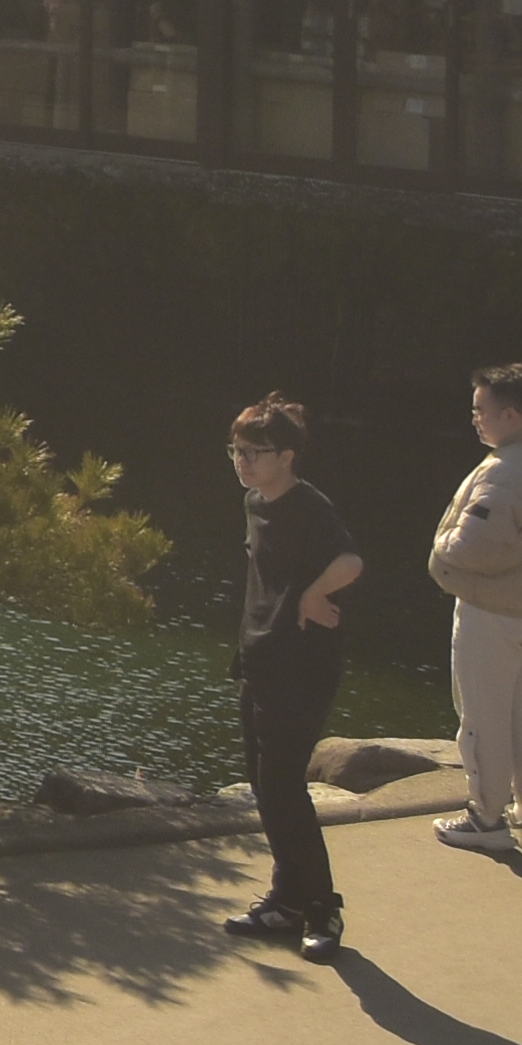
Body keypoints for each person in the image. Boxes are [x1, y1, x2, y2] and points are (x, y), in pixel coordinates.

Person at [426, 363, 522, 859]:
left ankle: (486, 815)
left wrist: (442, 546)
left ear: (511, 414)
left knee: (482, 716)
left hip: (492, 611)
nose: (475, 419)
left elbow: (477, 546)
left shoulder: (507, 469)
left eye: (481, 410)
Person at [222, 397, 365, 953]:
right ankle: (285, 899)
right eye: (235, 452)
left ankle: (322, 910)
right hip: (258, 657)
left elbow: (351, 562)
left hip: (302, 666)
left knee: (284, 787)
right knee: (265, 785)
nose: (243, 462)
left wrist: (313, 592)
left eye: (254, 453)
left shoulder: (310, 506)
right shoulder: (255, 502)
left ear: (287, 455)